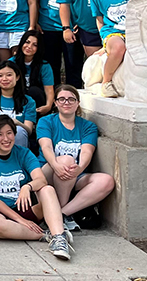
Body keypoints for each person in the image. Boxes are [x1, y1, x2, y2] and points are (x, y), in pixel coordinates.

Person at [0, 115, 74, 261]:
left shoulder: (24, 153)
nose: (5, 139)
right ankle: (46, 235)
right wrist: (19, 220)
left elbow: (41, 179)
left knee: (47, 190)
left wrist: (27, 187)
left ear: (15, 134)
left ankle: (59, 238)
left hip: (26, 205)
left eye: (9, 133)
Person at [38, 85, 114, 230]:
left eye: (71, 99)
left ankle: (62, 213)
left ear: (78, 103)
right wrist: (55, 164)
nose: (66, 102)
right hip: (47, 172)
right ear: (55, 103)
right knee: (66, 160)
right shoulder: (46, 121)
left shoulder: (88, 126)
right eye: (62, 99)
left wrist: (79, 169)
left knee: (106, 181)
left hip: (73, 174)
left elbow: (86, 152)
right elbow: (46, 147)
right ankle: (59, 217)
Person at [90, 0, 140, 98]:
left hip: (132, 31)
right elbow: (99, 20)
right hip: (112, 32)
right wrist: (104, 42)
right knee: (119, 47)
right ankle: (106, 83)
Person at [0, 61, 37, 149]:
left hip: (18, 140)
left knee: (20, 131)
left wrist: (17, 123)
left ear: (17, 77)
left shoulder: (28, 101)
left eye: (9, 75)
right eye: (0, 76)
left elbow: (28, 130)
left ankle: (18, 161)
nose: (4, 79)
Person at [13, 30, 55, 115]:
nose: (29, 47)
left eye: (34, 45)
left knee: (34, 90)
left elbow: (49, 89)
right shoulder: (12, 62)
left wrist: (48, 106)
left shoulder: (44, 65)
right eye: (27, 42)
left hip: (37, 101)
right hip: (17, 98)